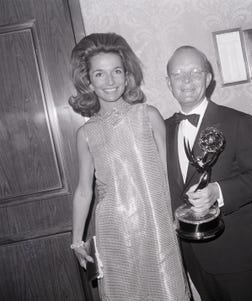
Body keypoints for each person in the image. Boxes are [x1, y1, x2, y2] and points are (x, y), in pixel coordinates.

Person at [68, 33, 190, 301]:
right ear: (88, 80)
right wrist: (77, 240)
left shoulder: (148, 115)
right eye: (99, 74)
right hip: (115, 230)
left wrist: (177, 215)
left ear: (127, 75)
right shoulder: (86, 133)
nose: (110, 81)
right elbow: (83, 191)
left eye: (117, 71)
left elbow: (173, 175)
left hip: (158, 225)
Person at [165, 45, 252, 301]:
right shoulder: (162, 130)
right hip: (190, 254)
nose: (187, 80)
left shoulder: (240, 122)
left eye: (195, 72)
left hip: (235, 253)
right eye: (178, 74)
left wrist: (219, 191)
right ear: (168, 82)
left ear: (208, 77)